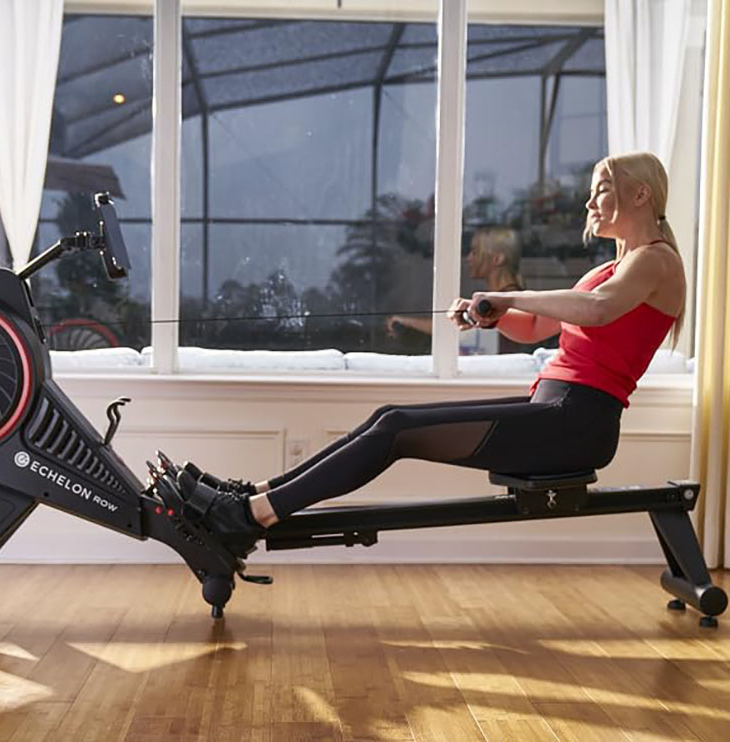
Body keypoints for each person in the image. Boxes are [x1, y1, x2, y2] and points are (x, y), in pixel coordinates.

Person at [171, 151, 687, 558]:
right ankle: (250, 498)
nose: (589, 205)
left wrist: (506, 295)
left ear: (640, 194)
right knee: (388, 419)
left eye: (600, 192)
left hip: (577, 423)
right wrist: (492, 313)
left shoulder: (655, 262)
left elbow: (596, 311)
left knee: (396, 428)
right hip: (552, 410)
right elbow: (533, 328)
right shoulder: (609, 268)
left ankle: (247, 515)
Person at [385, 226, 529, 355]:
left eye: (475, 252)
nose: (468, 259)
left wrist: (406, 322)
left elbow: (465, 332)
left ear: (497, 259)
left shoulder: (509, 303)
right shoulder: (502, 299)